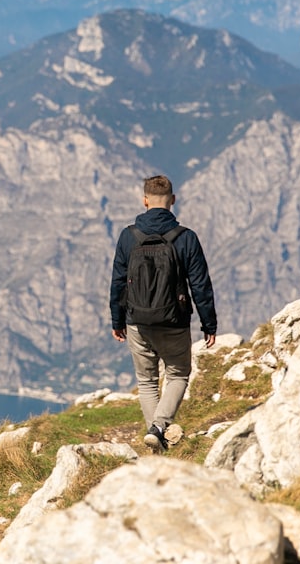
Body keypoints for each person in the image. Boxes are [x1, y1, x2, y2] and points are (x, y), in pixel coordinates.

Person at [110, 175, 218, 452]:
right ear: (173, 200)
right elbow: (200, 284)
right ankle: (159, 427)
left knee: (146, 381)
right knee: (178, 374)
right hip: (175, 321)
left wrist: (117, 320)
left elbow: (118, 281)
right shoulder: (186, 238)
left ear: (144, 200)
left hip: (137, 321)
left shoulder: (128, 236)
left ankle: (155, 438)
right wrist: (209, 323)